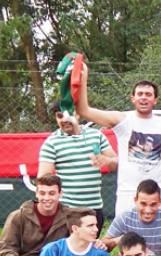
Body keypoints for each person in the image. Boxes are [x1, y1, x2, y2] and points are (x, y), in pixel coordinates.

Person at [73, 67, 161, 215]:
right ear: (133, 98)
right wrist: (83, 79)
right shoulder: (122, 120)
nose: (143, 97)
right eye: (140, 94)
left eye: (148, 94)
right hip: (128, 194)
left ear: (155, 100)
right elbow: (84, 111)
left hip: (157, 195)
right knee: (125, 231)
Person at [38, 98, 117, 231]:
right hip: (68, 210)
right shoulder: (51, 142)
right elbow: (43, 179)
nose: (64, 120)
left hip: (94, 208)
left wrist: (108, 161)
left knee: (90, 244)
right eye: (59, 116)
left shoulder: (97, 136)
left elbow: (116, 165)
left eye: (68, 115)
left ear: (78, 114)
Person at [0, 174, 71, 256]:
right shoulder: (19, 216)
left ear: (60, 193)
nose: (46, 198)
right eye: (42, 193)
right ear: (36, 193)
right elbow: (6, 246)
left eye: (52, 193)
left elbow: (80, 243)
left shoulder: (70, 217)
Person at [102, 179, 161, 256]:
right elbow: (103, 244)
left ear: (160, 202)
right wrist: (119, 240)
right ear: (135, 200)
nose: (148, 210)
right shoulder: (124, 218)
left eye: (153, 204)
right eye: (143, 204)